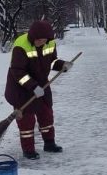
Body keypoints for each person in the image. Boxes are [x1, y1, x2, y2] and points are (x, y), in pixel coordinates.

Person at [4, 20, 73, 159]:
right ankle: (28, 150)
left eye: (44, 40)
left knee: (46, 114)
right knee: (26, 121)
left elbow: (52, 61)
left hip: (42, 84)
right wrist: (33, 86)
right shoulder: (21, 45)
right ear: (33, 37)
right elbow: (18, 72)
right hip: (21, 88)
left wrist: (62, 65)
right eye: (39, 40)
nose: (42, 42)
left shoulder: (50, 43)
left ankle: (49, 143)